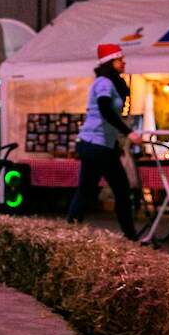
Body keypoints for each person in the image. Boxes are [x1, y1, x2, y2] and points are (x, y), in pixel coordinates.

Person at [67, 43, 141, 240]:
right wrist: (128, 132)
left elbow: (110, 115)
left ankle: (72, 230)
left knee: (98, 190)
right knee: (107, 190)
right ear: (110, 62)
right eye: (119, 59)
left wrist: (116, 143)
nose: (123, 62)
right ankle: (130, 235)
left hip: (102, 146)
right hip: (94, 144)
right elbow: (105, 110)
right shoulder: (103, 83)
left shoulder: (112, 82)